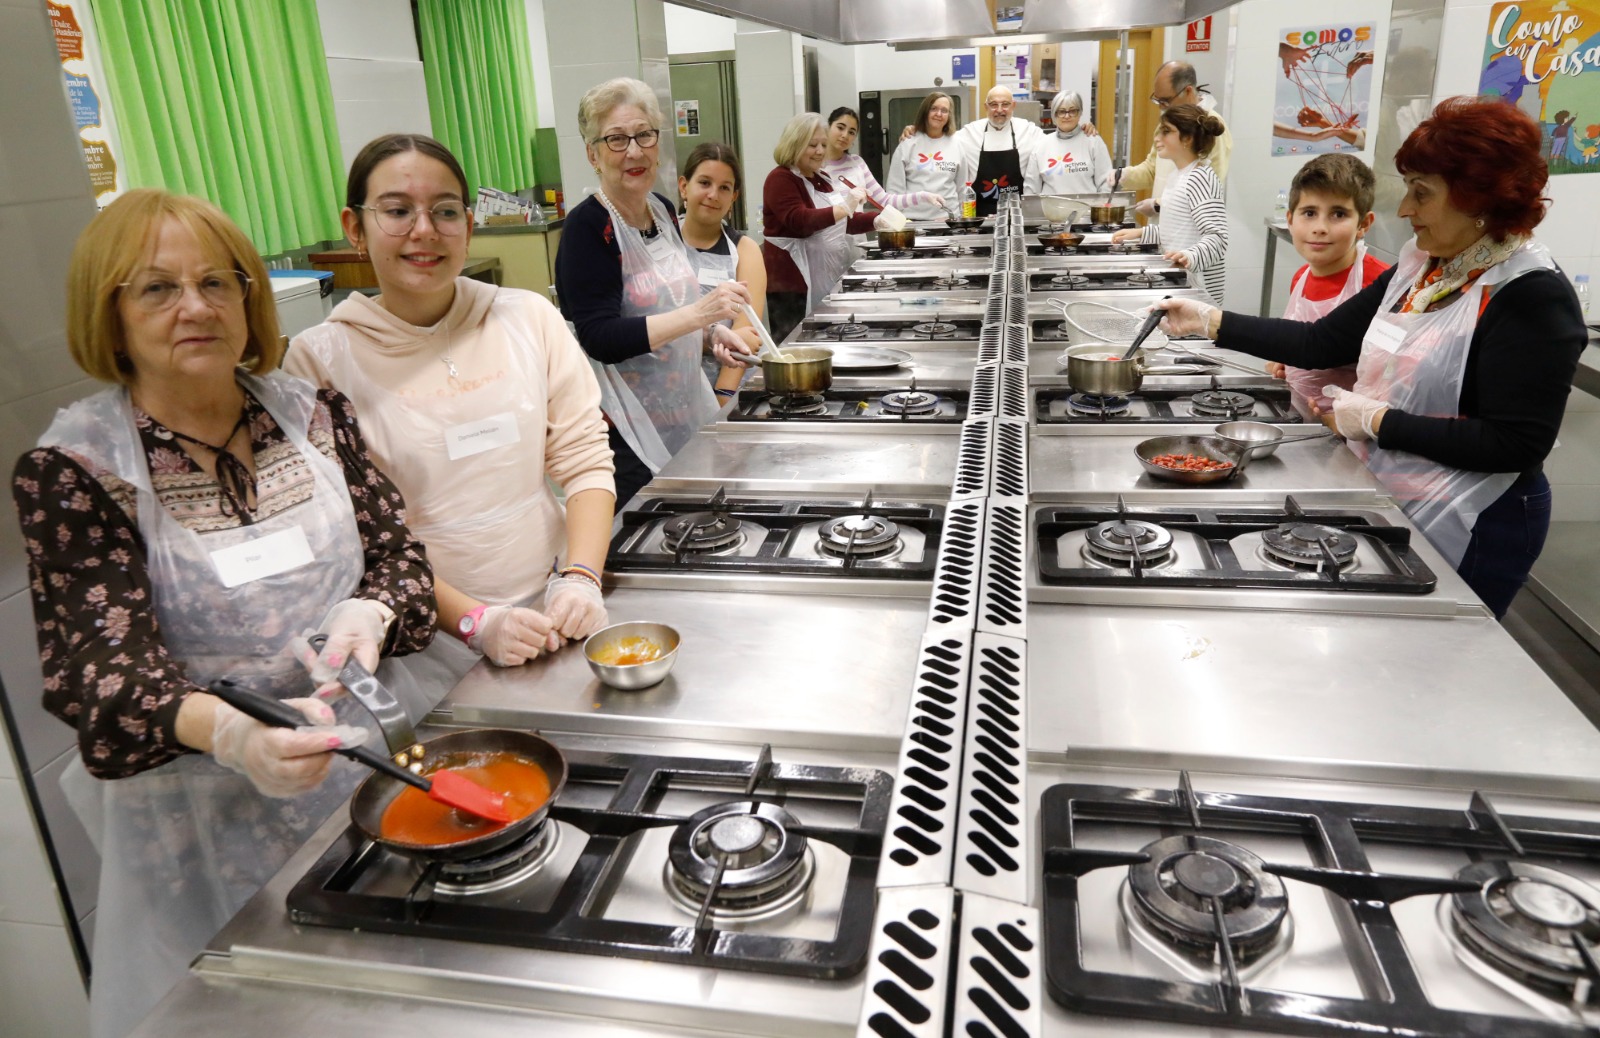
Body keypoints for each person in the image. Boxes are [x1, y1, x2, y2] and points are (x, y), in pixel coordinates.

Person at [13, 189, 437, 1038]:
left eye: (218, 282)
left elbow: (401, 557)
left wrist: (372, 609)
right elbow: (104, 678)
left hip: (368, 768)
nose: (196, 307)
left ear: (250, 299)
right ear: (112, 314)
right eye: (156, 289)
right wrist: (237, 735)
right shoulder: (78, 470)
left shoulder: (310, 413)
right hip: (199, 823)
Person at [1154, 97, 1586, 619]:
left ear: (1478, 201)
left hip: (1481, 516)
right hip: (1398, 488)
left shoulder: (1531, 294)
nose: (1406, 209)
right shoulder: (1424, 266)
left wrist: (1377, 420)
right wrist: (1209, 320)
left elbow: (1515, 442)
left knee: (1437, 657)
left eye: (1421, 194)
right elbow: (1321, 342)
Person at [287, 134, 615, 689]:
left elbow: (584, 460)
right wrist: (474, 621)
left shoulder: (528, 318)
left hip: (557, 607)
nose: (424, 230)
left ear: (467, 223)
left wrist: (581, 577)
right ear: (353, 227)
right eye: (396, 211)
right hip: (423, 642)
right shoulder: (320, 360)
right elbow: (354, 535)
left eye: (444, 212)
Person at [555, 77, 753, 507]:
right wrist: (699, 317)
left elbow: (667, 307)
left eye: (644, 134)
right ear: (592, 153)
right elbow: (600, 338)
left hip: (685, 405)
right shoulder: (588, 228)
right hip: (625, 429)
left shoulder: (663, 210)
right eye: (616, 139)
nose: (634, 150)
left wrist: (711, 336)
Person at [1263, 153, 1389, 419]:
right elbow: (1304, 341)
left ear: (1363, 224)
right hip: (1301, 416)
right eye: (1309, 213)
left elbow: (1394, 378)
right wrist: (1285, 361)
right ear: (1290, 219)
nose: (1320, 227)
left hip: (1356, 437)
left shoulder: (1380, 285)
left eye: (1338, 214)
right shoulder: (1300, 278)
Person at [762, 112, 881, 342]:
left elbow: (840, 223)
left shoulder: (822, 178)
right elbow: (801, 222)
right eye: (812, 145)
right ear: (794, 144)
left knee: (827, 340)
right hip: (792, 285)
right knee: (796, 345)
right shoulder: (780, 179)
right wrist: (845, 207)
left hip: (826, 275)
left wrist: (876, 220)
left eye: (823, 145)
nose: (819, 151)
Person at [1112, 104, 1229, 305]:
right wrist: (1141, 234)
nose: (1157, 138)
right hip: (1180, 283)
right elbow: (1177, 230)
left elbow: (1218, 239)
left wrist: (1189, 256)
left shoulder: (1201, 178)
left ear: (1187, 139)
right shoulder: (1178, 176)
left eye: (1166, 132)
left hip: (1199, 293)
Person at [677, 141, 766, 401]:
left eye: (724, 188)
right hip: (667, 389)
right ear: (684, 187)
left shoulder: (745, 251)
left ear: (733, 197)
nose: (714, 194)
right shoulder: (660, 245)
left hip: (726, 386)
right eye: (704, 183)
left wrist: (722, 398)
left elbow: (745, 336)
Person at [1106, 61, 1234, 218]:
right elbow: (1153, 169)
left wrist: (1159, 204)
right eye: (1157, 100)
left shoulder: (1211, 128)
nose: (1161, 107)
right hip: (1163, 228)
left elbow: (1208, 190)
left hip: (1190, 229)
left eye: (1165, 101)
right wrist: (1125, 175)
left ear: (1187, 91)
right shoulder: (1168, 124)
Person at [821, 106, 945, 220]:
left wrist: (923, 196)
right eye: (840, 127)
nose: (845, 135)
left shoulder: (857, 163)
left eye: (851, 132)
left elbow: (885, 201)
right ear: (828, 127)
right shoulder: (815, 166)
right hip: (825, 241)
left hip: (855, 241)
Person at [954, 85, 1048, 216]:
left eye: (1005, 104)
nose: (999, 110)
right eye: (993, 104)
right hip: (980, 218)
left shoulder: (1029, 131)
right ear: (985, 106)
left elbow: (1055, 144)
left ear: (1013, 105)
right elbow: (942, 140)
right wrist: (916, 133)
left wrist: (1083, 132)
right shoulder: (969, 132)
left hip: (1017, 216)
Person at [886, 92, 961, 221]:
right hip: (913, 222)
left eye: (944, 110)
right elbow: (894, 191)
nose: (939, 114)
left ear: (949, 116)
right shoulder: (908, 143)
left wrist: (963, 221)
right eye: (934, 109)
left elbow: (963, 187)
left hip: (948, 221)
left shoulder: (957, 144)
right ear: (925, 111)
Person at [1035, 90, 1113, 197]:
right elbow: (1031, 190)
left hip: (1087, 210)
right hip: (1051, 212)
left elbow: (1106, 183)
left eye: (1072, 111)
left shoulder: (1093, 142)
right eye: (1061, 111)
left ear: (1080, 113)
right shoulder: (1041, 145)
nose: (1067, 116)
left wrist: (1099, 210)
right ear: (1054, 115)